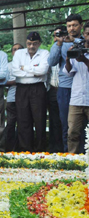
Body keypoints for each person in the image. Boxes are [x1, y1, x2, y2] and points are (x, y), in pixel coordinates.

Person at [48, 14, 83, 151]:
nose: (71, 28)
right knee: (66, 124)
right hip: (65, 88)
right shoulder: (60, 43)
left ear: (80, 25)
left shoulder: (85, 40)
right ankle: (68, 155)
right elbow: (51, 62)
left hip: (82, 87)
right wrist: (59, 43)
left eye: (74, 25)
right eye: (69, 26)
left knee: (83, 125)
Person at [12, 32, 49, 152]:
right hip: (22, 88)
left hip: (38, 88)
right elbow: (15, 71)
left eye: (34, 43)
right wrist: (34, 73)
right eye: (29, 43)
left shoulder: (44, 53)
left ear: (39, 43)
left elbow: (43, 70)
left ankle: (40, 149)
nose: (31, 46)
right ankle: (25, 149)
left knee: (39, 119)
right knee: (23, 120)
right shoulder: (19, 53)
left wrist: (25, 68)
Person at [64, 23, 89, 153]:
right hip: (76, 99)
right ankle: (72, 160)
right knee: (72, 132)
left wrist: (84, 60)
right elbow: (68, 72)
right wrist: (68, 59)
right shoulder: (77, 49)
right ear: (84, 35)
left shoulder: (83, 55)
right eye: (88, 34)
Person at [4, 43, 23, 152]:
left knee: (23, 124)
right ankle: (9, 149)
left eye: (19, 49)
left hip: (25, 98)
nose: (16, 51)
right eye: (14, 49)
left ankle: (21, 148)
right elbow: (4, 81)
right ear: (12, 52)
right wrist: (18, 81)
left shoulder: (27, 63)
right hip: (12, 98)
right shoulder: (8, 65)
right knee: (10, 123)